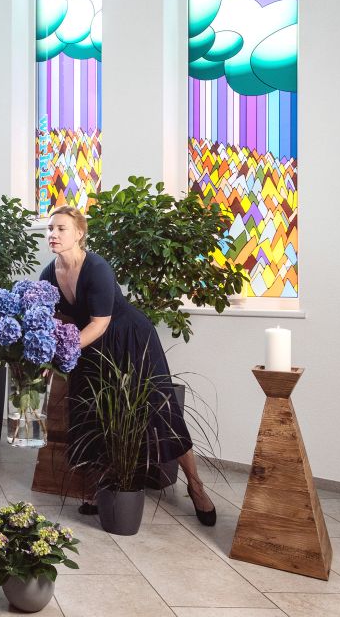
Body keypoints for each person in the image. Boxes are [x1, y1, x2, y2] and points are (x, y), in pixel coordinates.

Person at [40, 204, 217, 526]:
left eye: (61, 228)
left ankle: (196, 486)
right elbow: (50, 319)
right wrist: (42, 353)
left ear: (79, 234)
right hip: (90, 346)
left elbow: (99, 323)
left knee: (161, 411)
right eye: (50, 228)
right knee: (91, 413)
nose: (53, 234)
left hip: (130, 340)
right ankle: (101, 487)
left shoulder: (97, 268)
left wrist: (61, 352)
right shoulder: (48, 274)